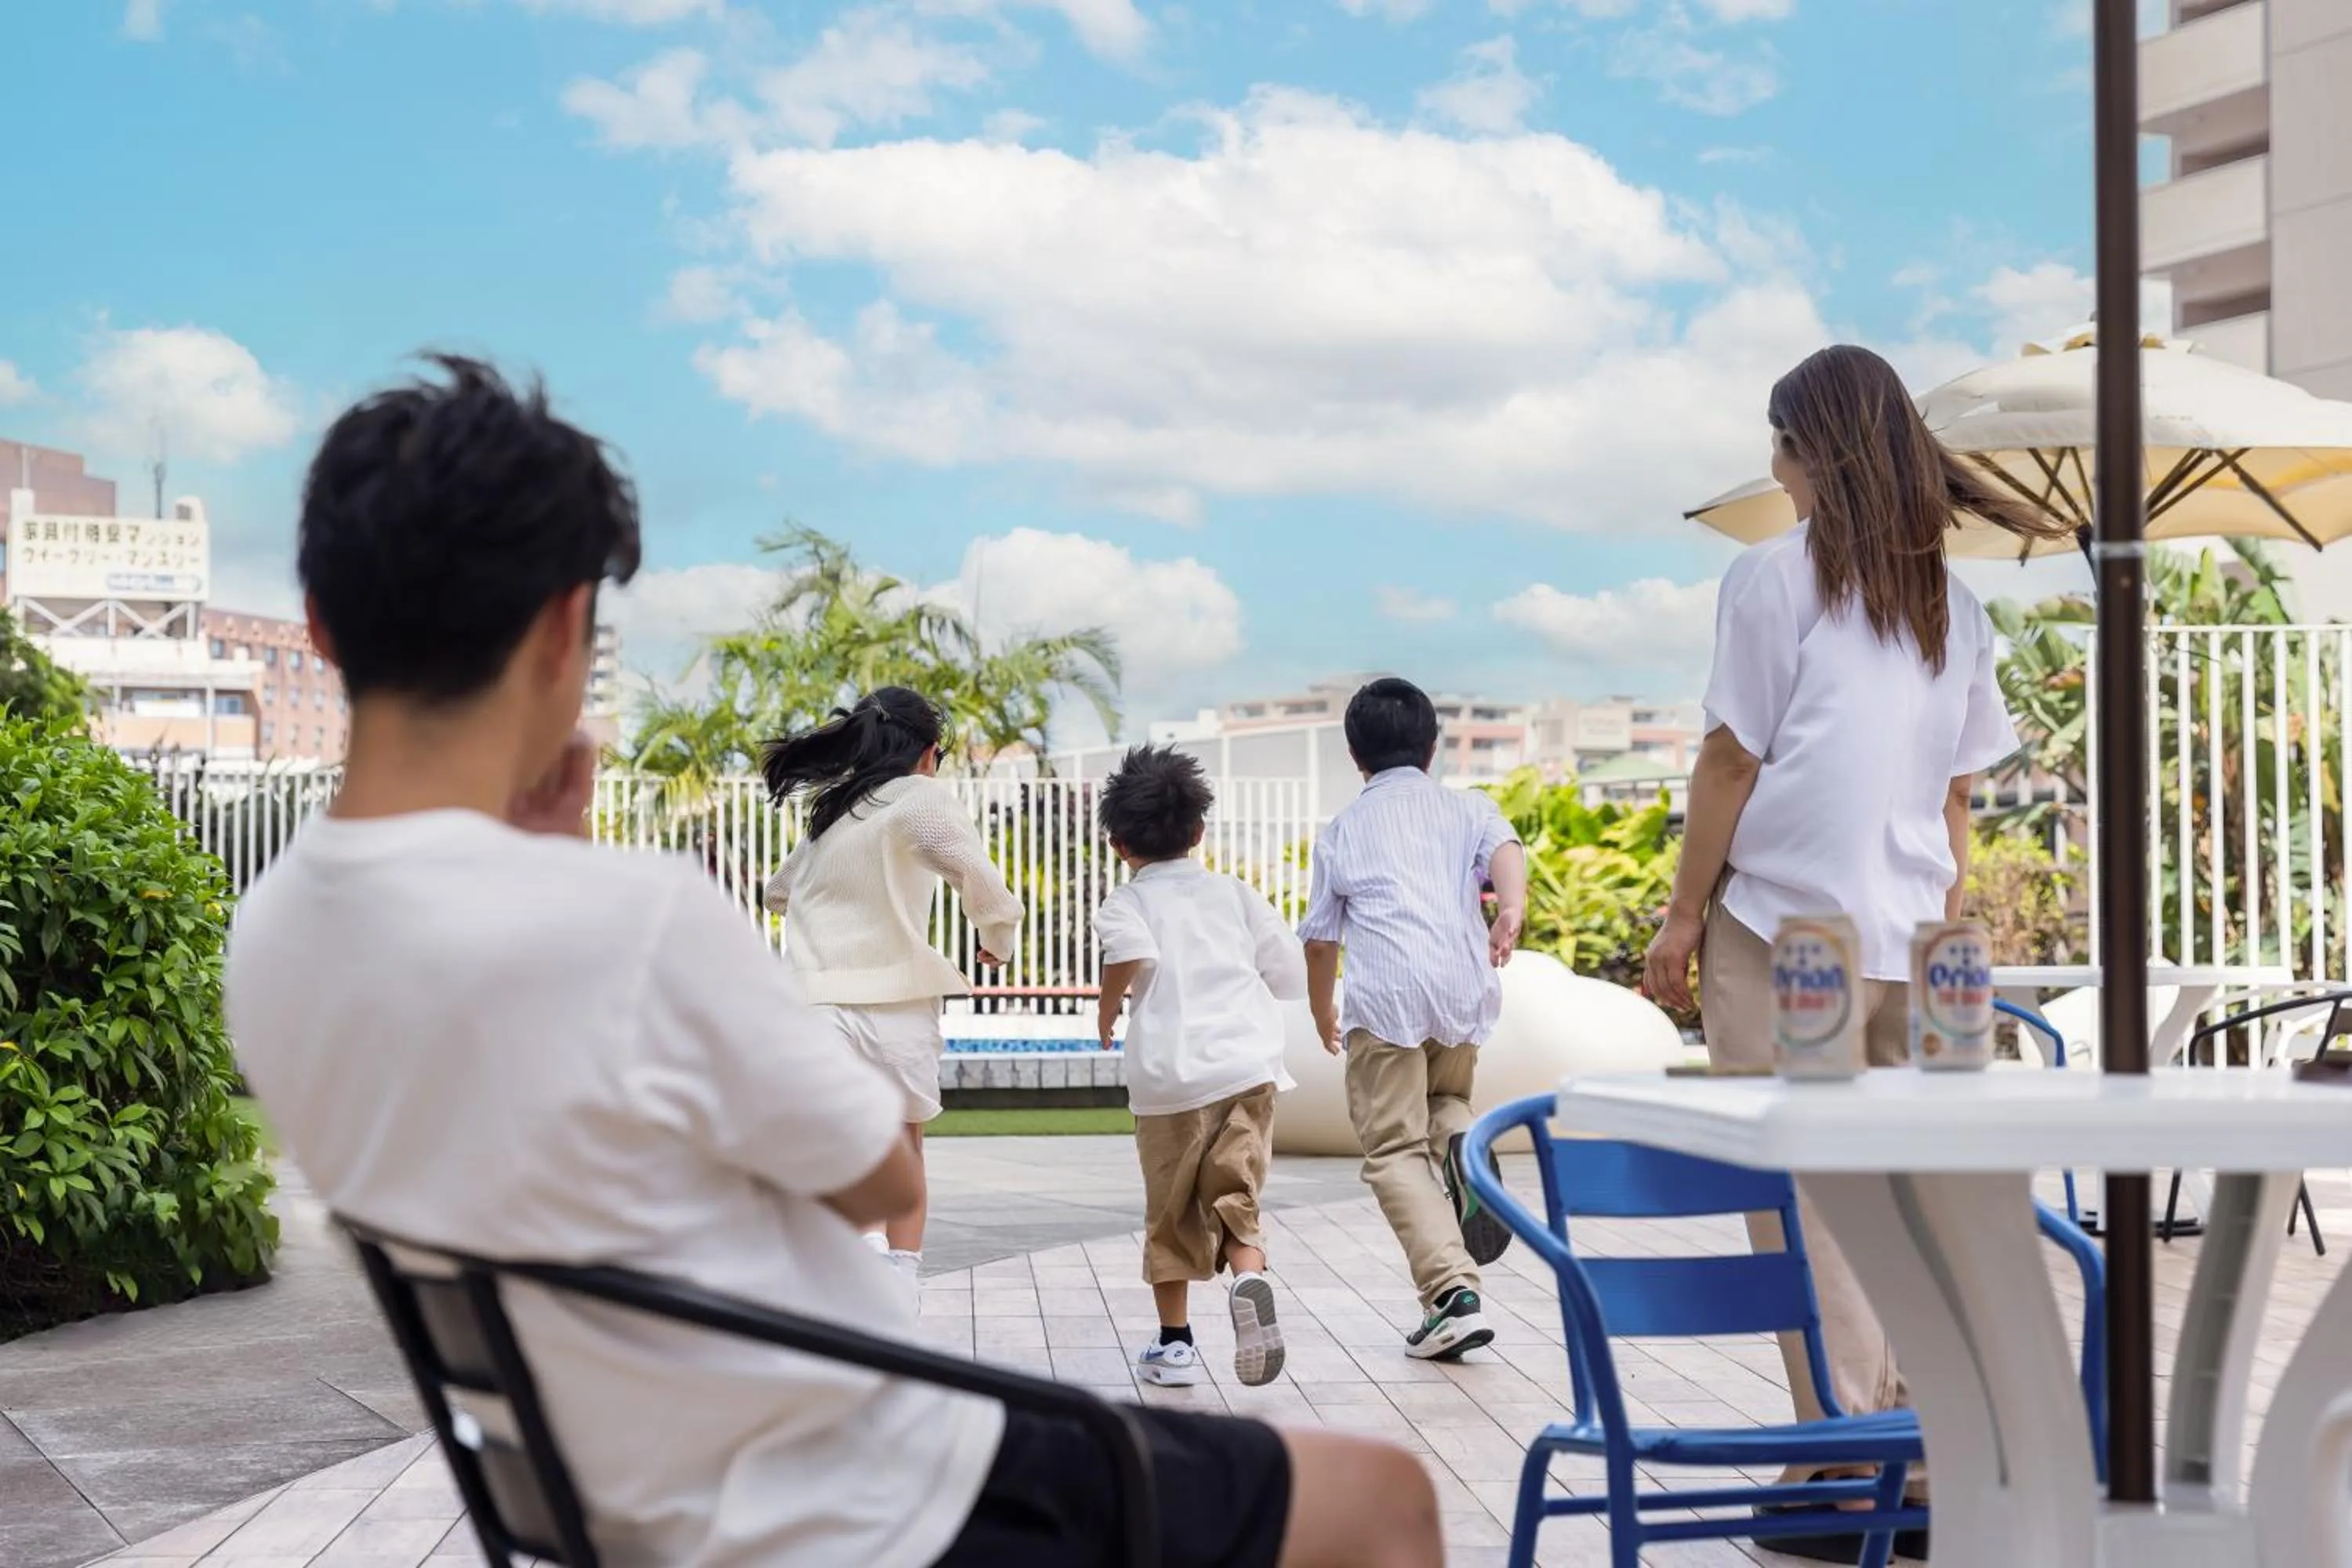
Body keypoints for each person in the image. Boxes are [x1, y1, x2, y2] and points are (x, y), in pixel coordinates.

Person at [225, 357, 1445, 1568]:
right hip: (860, 1491)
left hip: (596, 1510)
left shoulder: (268, 941)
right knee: (1377, 1497)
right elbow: (870, 1175)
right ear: (564, 629)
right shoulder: (634, 917)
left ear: (320, 624)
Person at [1641, 343, 2067, 1562]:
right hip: (1932, 944)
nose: (1771, 469)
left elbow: (1730, 761)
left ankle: (1843, 1470)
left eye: (1777, 445)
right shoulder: (1957, 604)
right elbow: (1956, 800)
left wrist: (1680, 922)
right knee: (1929, 1199)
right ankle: (1929, 1460)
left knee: (1814, 1198)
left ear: (1812, 451)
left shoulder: (1775, 580)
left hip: (1804, 935)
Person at [760, 689, 1022, 1288]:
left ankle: (863, 1254)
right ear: (929, 753)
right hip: (896, 1008)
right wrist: (998, 941)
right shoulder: (920, 799)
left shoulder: (832, 814)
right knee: (903, 1150)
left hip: (817, 1007)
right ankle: (899, 1287)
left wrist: (825, 903)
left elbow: (778, 892)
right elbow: (976, 876)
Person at [1299, 677, 1529, 1361]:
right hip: (1461, 991)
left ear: (1354, 754)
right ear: (1433, 749)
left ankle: (1451, 1293)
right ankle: (1463, 1145)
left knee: (1394, 1149)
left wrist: (1321, 1011)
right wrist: (1509, 909)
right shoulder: (1468, 807)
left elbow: (1319, 939)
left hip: (1388, 1003)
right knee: (1448, 1100)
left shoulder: (1343, 830)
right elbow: (1506, 849)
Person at [1094, 745, 1303, 1391]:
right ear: (1198, 832)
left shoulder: (1125, 904)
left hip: (1170, 1083)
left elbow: (1126, 954)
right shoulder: (1234, 894)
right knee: (1235, 1195)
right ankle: (1248, 1278)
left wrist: (1106, 1013)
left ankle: (1176, 1347)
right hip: (1247, 1069)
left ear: (1118, 843)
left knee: (1173, 1211)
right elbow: (1289, 971)